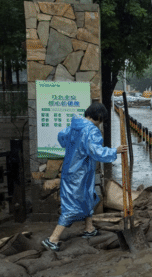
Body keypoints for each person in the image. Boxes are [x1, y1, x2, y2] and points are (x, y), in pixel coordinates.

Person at [42, 102, 127, 251]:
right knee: (72, 206)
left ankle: (89, 228)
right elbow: (97, 152)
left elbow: (62, 138)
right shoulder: (91, 131)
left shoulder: (75, 126)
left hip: (72, 170)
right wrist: (115, 151)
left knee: (88, 197)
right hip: (80, 174)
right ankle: (53, 239)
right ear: (99, 117)